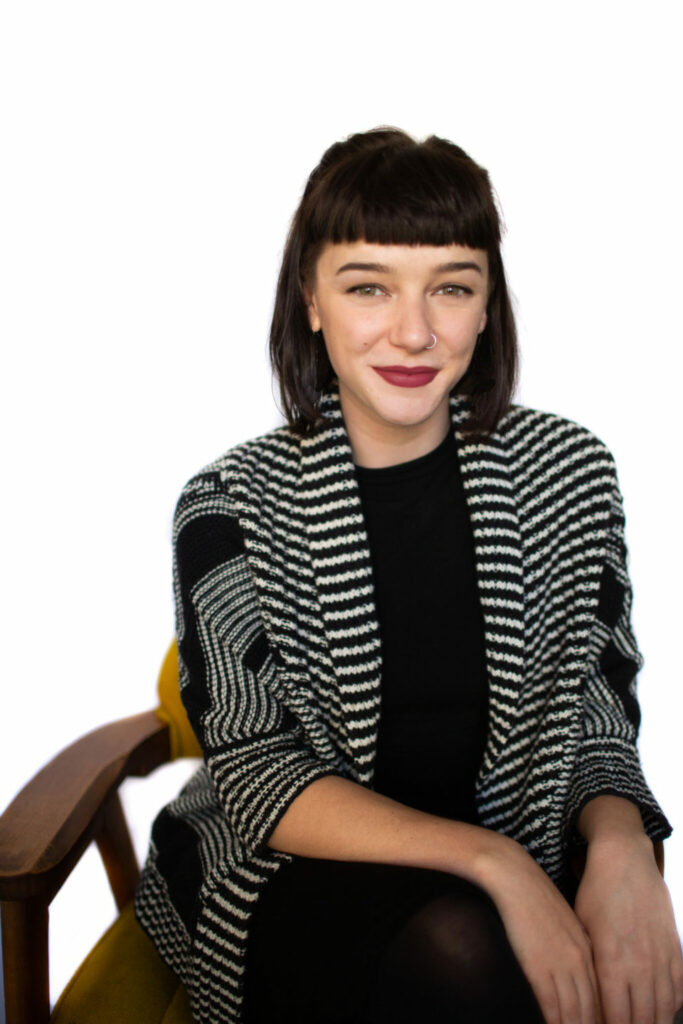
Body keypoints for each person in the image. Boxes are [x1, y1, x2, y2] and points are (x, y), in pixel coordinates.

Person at [135, 127, 683, 1024]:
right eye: (367, 287)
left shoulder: (570, 471)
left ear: (486, 305)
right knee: (469, 958)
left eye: (452, 289)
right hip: (293, 869)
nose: (415, 331)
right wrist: (490, 862)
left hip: (527, 844)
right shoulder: (230, 501)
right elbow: (257, 772)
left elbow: (598, 704)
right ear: (311, 299)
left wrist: (623, 845)